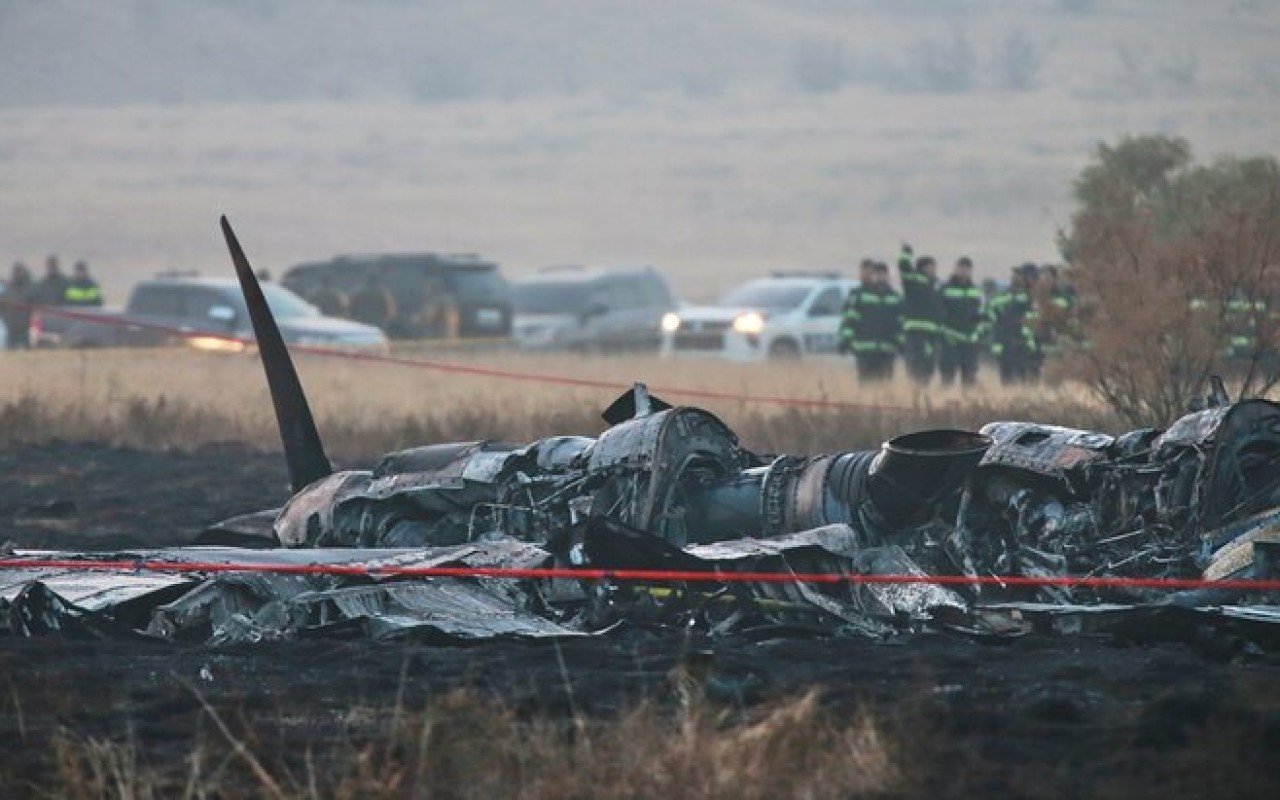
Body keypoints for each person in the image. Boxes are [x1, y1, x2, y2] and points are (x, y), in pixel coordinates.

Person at [838, 259, 902, 382]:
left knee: (885, 387)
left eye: (883, 274)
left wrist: (901, 343)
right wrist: (845, 340)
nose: (880, 278)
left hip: (887, 349)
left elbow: (899, 323)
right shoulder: (859, 294)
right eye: (877, 274)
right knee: (866, 385)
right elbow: (850, 319)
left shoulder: (895, 297)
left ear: (888, 276)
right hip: (864, 349)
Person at [897, 245, 943, 385]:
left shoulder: (934, 286)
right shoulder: (914, 281)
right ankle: (914, 390)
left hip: (932, 333)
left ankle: (923, 390)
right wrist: (906, 254)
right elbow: (904, 268)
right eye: (931, 267)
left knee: (929, 367)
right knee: (915, 365)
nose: (934, 270)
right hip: (916, 332)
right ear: (923, 267)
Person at [988, 264, 1041, 384]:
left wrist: (1029, 338)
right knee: (1007, 377)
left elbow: (1032, 319)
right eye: (1015, 275)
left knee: (1024, 376)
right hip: (1006, 342)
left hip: (1023, 343)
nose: (1016, 277)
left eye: (1019, 275)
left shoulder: (1030, 297)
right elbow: (997, 320)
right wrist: (997, 341)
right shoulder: (1005, 296)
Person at [938, 256, 984, 387]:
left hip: (970, 340)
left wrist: (977, 333)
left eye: (967, 269)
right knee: (947, 375)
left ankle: (969, 404)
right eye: (961, 268)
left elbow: (981, 315)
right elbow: (939, 314)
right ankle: (944, 402)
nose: (964, 271)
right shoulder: (944, 289)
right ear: (955, 269)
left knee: (970, 376)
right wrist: (945, 333)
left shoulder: (976, 291)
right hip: (950, 339)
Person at [2, 262, 34, 349]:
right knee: (11, 350)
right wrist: (7, 320)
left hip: (25, 327)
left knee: (27, 350)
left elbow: (35, 307)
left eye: (19, 271)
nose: (17, 274)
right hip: (11, 326)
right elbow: (2, 307)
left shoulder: (30, 289)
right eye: (15, 272)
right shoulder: (8, 289)